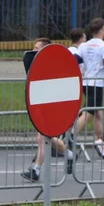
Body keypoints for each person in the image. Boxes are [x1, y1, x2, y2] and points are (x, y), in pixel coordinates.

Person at [21, 38, 75, 182]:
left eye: (37, 48)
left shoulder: (54, 64)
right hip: (40, 104)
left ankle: (36, 170)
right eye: (33, 48)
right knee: (46, 138)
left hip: (53, 106)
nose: (34, 51)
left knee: (43, 137)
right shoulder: (34, 64)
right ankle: (69, 155)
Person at [74, 17, 104, 159]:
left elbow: (76, 60)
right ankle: (70, 135)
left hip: (86, 82)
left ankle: (101, 142)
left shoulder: (84, 45)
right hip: (97, 83)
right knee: (89, 112)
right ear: (100, 30)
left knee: (98, 113)